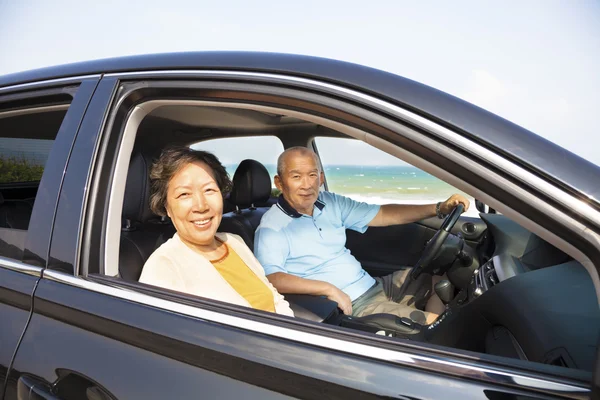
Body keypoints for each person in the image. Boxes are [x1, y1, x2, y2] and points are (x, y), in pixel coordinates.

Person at [254, 147, 469, 324]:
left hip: (373, 285)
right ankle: (433, 333)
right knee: (439, 324)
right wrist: (327, 288)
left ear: (321, 177)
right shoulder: (272, 227)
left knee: (440, 273)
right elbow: (272, 278)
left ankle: (429, 331)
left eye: (312, 175)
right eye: (296, 177)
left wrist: (439, 207)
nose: (307, 185)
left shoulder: (330, 202)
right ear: (279, 183)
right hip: (353, 304)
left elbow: (383, 214)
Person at [139, 146, 294, 317]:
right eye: (184, 194)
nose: (201, 206)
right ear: (167, 207)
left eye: (209, 190)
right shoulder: (164, 266)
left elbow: (273, 297)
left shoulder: (234, 241)